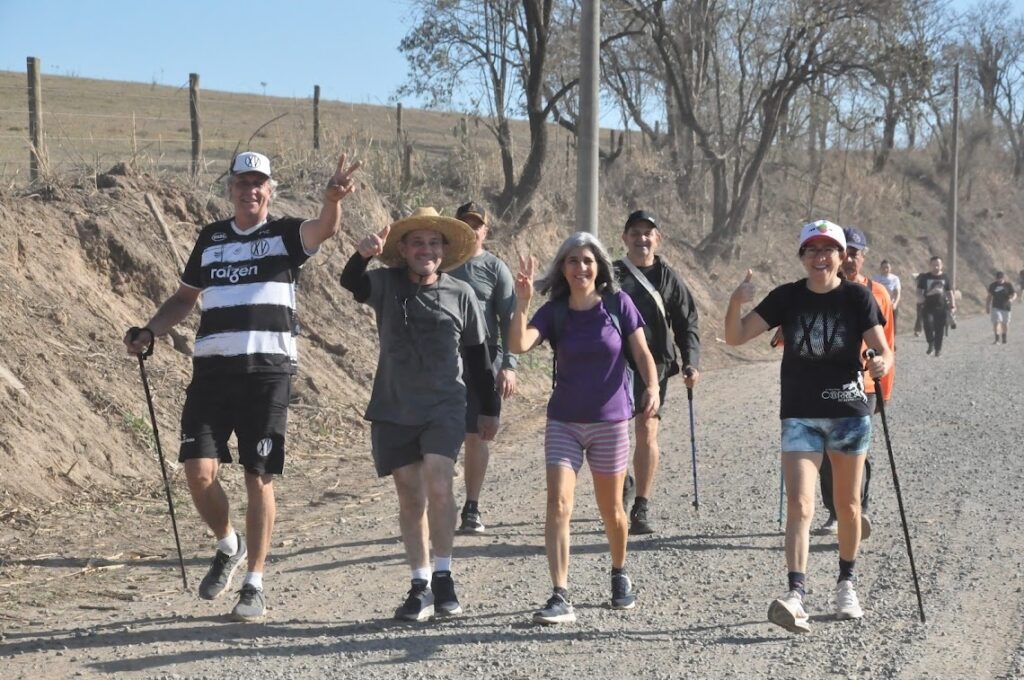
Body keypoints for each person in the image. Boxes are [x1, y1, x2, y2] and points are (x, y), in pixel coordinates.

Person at [123, 151, 362, 622]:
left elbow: (324, 230)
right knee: (198, 471)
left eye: (259, 183)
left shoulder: (286, 234)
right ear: (230, 188)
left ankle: (254, 583)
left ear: (269, 190)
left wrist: (332, 199)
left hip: (267, 371)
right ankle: (227, 544)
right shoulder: (210, 239)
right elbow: (184, 298)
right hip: (211, 370)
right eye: (242, 182)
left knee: (258, 475)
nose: (250, 190)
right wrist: (150, 329)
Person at [724, 219, 892, 634]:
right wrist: (735, 301)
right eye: (811, 250)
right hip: (799, 414)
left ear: (841, 256)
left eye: (828, 249)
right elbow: (735, 335)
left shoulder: (857, 297)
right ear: (802, 257)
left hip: (849, 414)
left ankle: (846, 583)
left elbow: (883, 351)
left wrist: (879, 362)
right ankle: (795, 595)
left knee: (848, 505)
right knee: (800, 505)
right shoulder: (787, 297)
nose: (820, 257)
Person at [339, 207, 500, 622]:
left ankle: (444, 577)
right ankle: (420, 584)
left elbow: (479, 357)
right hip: (394, 405)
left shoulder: (460, 294)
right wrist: (362, 255)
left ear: (444, 251)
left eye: (433, 243)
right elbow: (350, 283)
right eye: (417, 242)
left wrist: (489, 410)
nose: (426, 250)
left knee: (440, 483)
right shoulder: (386, 283)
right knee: (410, 495)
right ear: (404, 250)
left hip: (446, 405)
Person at [509, 232, 660, 625]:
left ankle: (619, 572)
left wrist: (654, 388)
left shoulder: (618, 304)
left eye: (587, 260)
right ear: (563, 268)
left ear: (600, 267)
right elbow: (520, 344)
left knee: (611, 510)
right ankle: (560, 593)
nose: (580, 267)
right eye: (573, 261)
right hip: (564, 422)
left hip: (611, 422)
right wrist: (522, 303)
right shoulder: (555, 311)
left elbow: (642, 352)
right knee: (558, 504)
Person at [613, 210, 700, 534]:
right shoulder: (611, 274)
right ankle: (623, 482)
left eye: (648, 233)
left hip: (656, 366)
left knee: (646, 430)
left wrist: (691, 360)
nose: (641, 238)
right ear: (625, 238)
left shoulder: (669, 278)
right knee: (614, 434)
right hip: (615, 366)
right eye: (634, 232)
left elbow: (687, 322)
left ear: (657, 239)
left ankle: (641, 507)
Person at [817, 227, 895, 538]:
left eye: (856, 253)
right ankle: (834, 513)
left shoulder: (879, 294)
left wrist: (885, 389)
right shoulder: (821, 289)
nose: (850, 258)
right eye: (845, 251)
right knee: (826, 450)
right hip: (825, 383)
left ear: (864, 257)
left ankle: (857, 511)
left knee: (854, 449)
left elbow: (888, 344)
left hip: (865, 387)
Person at [447, 201, 517, 534]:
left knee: (476, 435)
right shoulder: (440, 262)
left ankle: (471, 507)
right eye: (465, 223)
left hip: (484, 355)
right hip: (444, 354)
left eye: (477, 225)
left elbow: (510, 320)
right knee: (442, 434)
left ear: (485, 231)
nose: (471, 230)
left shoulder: (495, 269)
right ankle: (440, 504)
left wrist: (510, 365)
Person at [916, 256, 955, 357]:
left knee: (939, 329)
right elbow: (919, 291)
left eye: (938, 265)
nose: (936, 267)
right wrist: (920, 298)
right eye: (933, 265)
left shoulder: (945, 277)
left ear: (941, 266)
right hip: (927, 306)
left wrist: (953, 305)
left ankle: (938, 349)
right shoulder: (925, 277)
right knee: (927, 324)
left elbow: (949, 292)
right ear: (930, 265)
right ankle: (931, 343)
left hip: (941, 307)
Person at [986, 271, 1017, 344]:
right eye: (997, 278)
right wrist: (987, 305)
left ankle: (1004, 337)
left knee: (1005, 324)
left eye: (1000, 278)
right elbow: (989, 296)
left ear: (1003, 278)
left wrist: (1012, 299)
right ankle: (996, 339)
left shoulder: (1008, 285)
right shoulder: (993, 285)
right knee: (996, 322)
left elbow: (1014, 294)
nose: (999, 280)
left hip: (1006, 307)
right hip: (996, 307)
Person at [873, 259, 901, 335]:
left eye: (887, 267)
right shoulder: (876, 278)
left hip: (891, 304)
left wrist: (895, 303)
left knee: (893, 325)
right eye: (883, 268)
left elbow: (897, 293)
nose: (885, 270)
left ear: (890, 268)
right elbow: (873, 291)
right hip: (880, 305)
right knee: (881, 324)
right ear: (880, 269)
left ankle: (892, 343)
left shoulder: (895, 278)